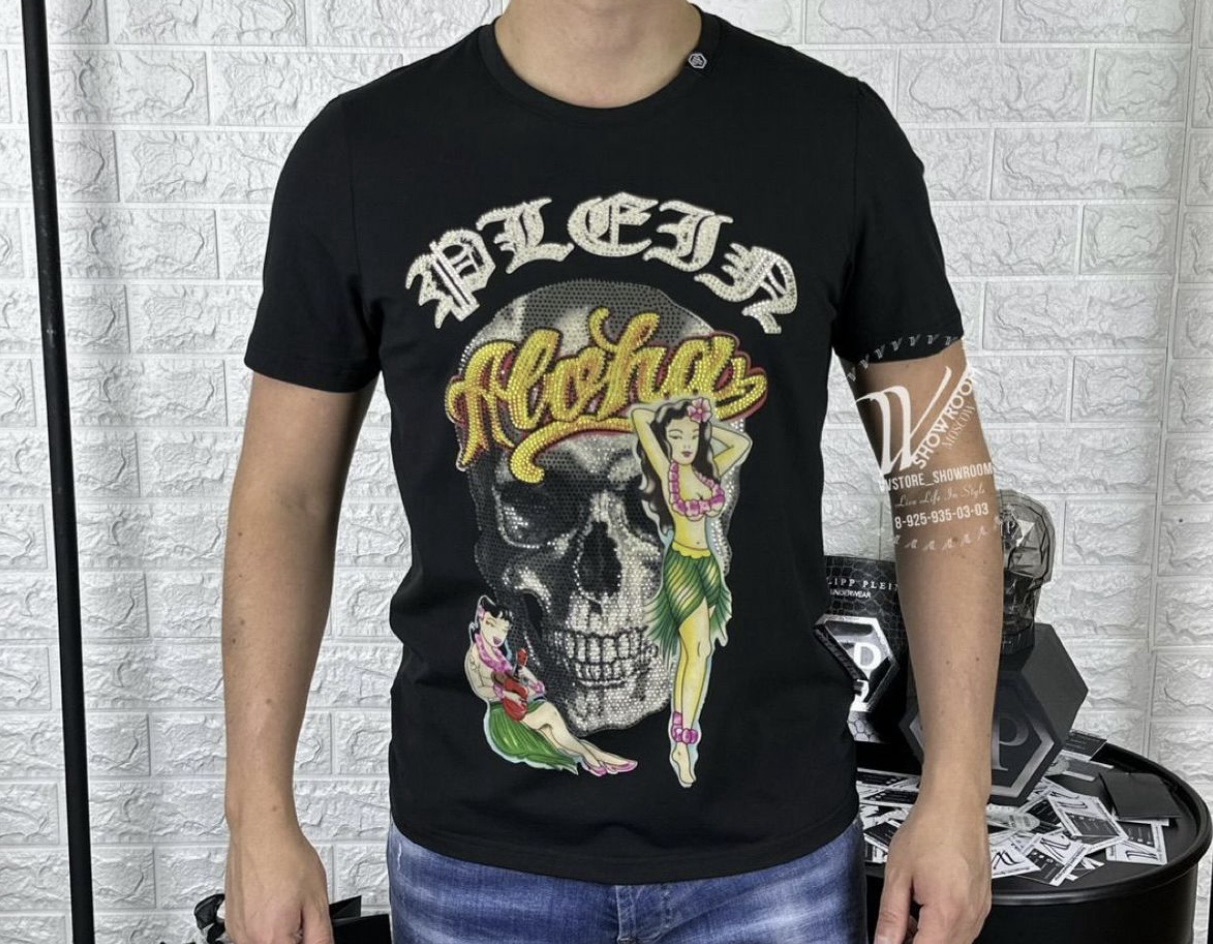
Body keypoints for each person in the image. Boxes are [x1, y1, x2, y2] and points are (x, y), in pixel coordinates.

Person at [221, 2, 1001, 943]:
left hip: (771, 865)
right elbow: (286, 498)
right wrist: (256, 818)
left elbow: (938, 481)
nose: (600, 571)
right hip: (476, 864)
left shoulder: (834, 137)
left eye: (640, 501)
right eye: (536, 498)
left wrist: (956, 794)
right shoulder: (363, 153)